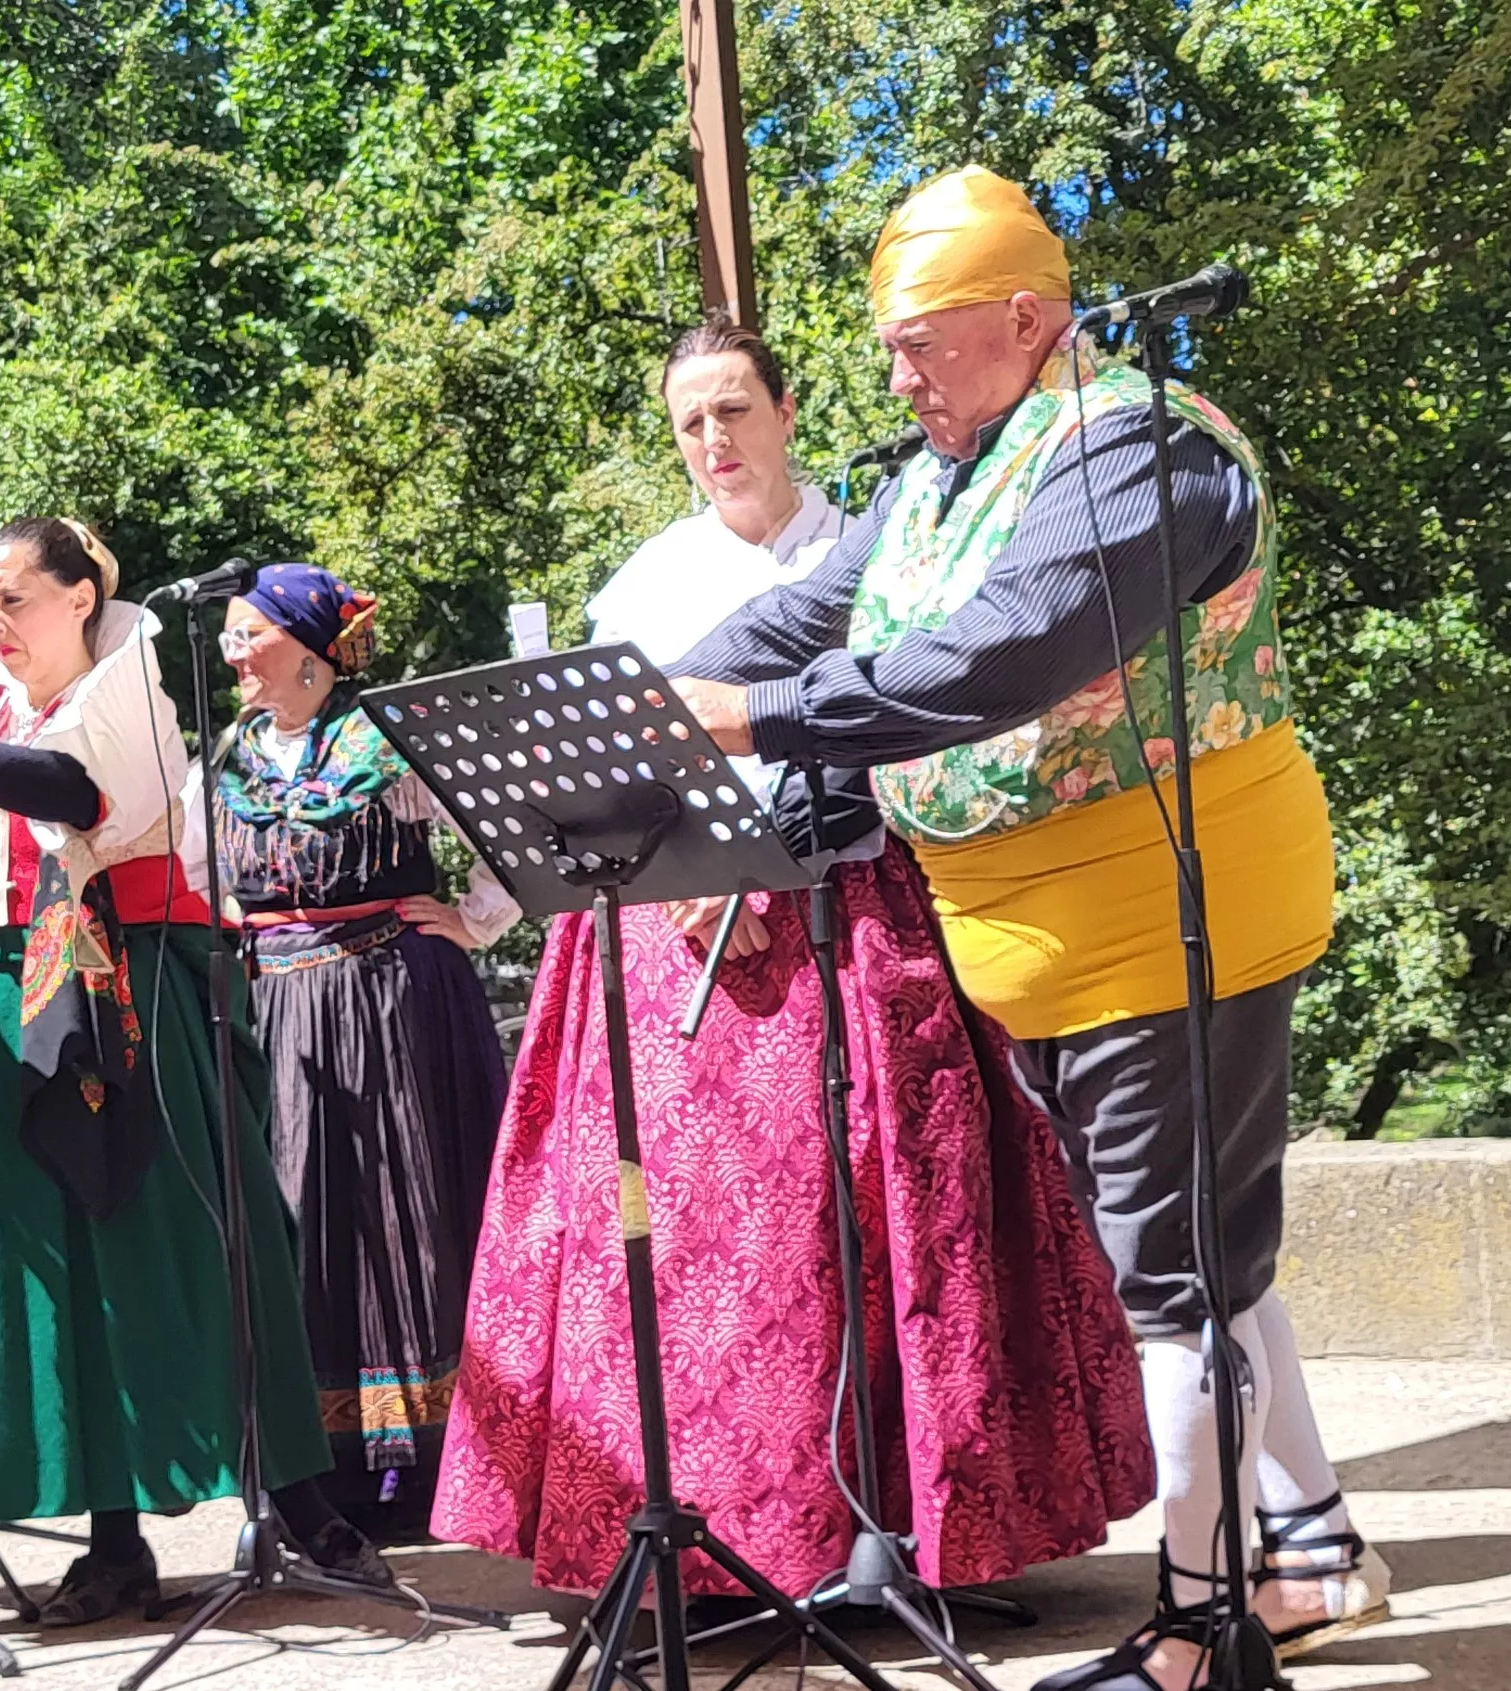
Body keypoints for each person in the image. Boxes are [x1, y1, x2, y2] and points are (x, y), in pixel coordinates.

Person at [668, 168, 1388, 1688]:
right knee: (1199, 1252)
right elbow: (811, 612)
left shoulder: (1136, 450)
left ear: (1023, 317)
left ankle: (1195, 1631)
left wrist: (751, 719)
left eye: (919, 345)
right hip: (1042, 934)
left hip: (1166, 907)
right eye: (887, 350)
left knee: (1171, 1281)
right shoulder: (940, 475)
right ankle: (1308, 1551)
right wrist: (647, 698)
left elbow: (998, 655)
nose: (897, 378)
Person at [432, 315, 1155, 1610]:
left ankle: (906, 1533)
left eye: (731, 409)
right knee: (705, 1250)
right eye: (688, 422)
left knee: (893, 1219)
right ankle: (731, 1542)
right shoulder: (645, 585)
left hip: (866, 907)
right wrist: (699, 870)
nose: (712, 438)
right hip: (687, 933)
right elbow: (616, 760)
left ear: (781, 411)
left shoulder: (875, 543)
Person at [0, 516, 380, 1622]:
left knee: (180, 1249)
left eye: (14, 598)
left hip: (127, 994)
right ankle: (114, 1541)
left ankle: (306, 1506)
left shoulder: (126, 683)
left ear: (79, 597)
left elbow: (74, 795)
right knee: (52, 1276)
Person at [215, 563, 516, 1540]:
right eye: (227, 635)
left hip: (387, 994)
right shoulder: (232, 755)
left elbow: (505, 825)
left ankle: (428, 1465)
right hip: (276, 1006)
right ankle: (324, 1464)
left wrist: (474, 919)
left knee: (400, 1213)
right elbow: (192, 867)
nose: (230, 652)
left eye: (247, 633)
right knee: (299, 1214)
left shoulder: (387, 740)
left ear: (310, 647)